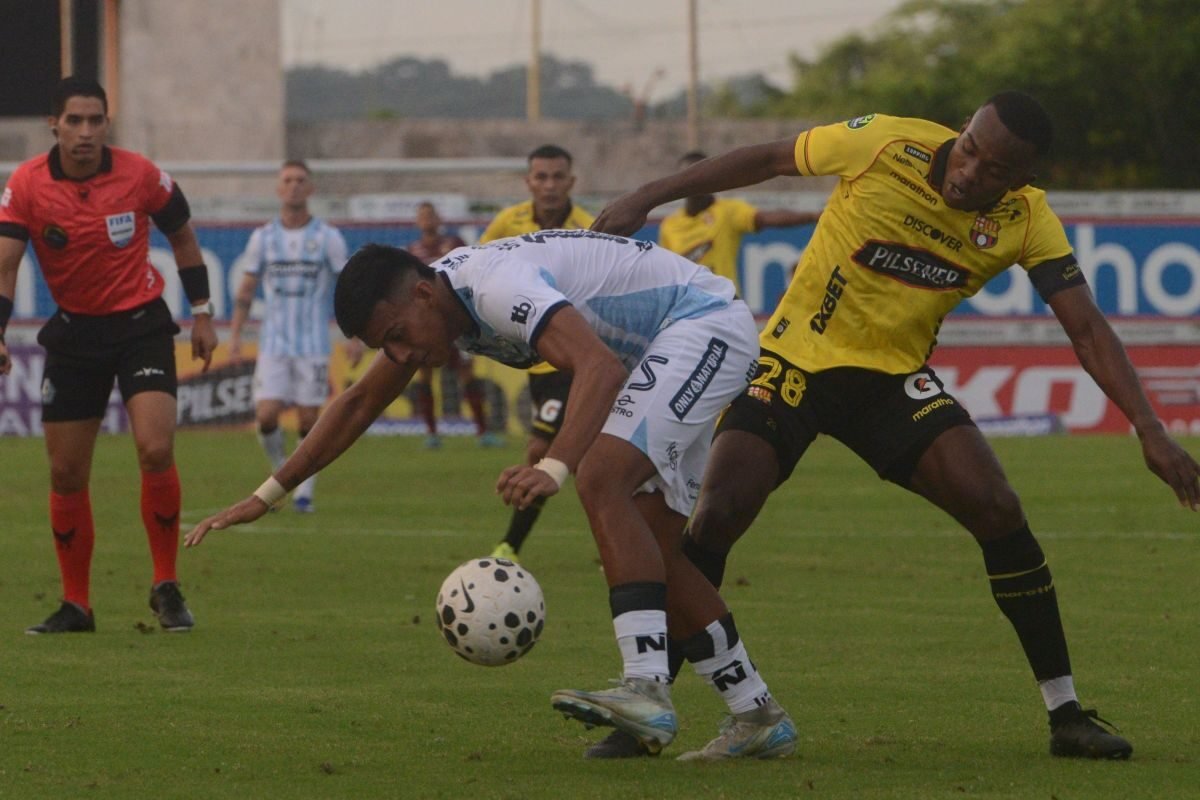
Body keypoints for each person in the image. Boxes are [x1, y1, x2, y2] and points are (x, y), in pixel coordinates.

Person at [592, 91, 1200, 760]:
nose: (969, 170)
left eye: (994, 169)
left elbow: (1085, 326)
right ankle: (647, 717)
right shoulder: (883, 142)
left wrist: (1149, 427)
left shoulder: (1028, 219)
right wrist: (646, 195)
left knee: (998, 508)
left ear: (1020, 178)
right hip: (793, 366)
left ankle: (1067, 716)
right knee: (717, 517)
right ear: (964, 127)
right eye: (970, 147)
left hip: (889, 382)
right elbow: (766, 157)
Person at [185, 232, 798, 761]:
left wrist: (554, 465)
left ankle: (645, 688)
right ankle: (757, 717)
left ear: (422, 293)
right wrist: (268, 494)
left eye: (398, 335)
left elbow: (599, 368)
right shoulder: (439, 306)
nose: (400, 356)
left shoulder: (496, 288)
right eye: (385, 348)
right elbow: (359, 402)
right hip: (663, 352)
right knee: (655, 547)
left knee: (598, 479)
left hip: (701, 325)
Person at [0, 76, 219, 634]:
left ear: (106, 125)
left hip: (141, 326)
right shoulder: (25, 184)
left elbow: (185, 237)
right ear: (54, 124)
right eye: (74, 121)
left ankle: (166, 585)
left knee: (153, 447)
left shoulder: (140, 174)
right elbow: (5, 265)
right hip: (74, 335)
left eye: (95, 120)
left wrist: (201, 312)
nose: (85, 132)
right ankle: (77, 605)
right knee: (66, 472)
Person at [479, 144, 594, 562]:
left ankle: (510, 545)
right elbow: (475, 270)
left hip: (584, 357)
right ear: (528, 181)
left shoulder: (589, 227)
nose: (549, 185)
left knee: (541, 452)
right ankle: (627, 539)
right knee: (585, 462)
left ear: (571, 182)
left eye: (557, 177)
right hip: (541, 360)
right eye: (541, 177)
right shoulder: (508, 224)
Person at [228, 160, 348, 513]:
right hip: (274, 344)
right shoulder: (263, 238)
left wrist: (353, 337)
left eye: (300, 180)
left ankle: (304, 491)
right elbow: (246, 291)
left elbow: (345, 288)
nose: (294, 186)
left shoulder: (328, 237)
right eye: (287, 180)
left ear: (310, 189)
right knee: (266, 416)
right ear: (279, 189)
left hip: (313, 344)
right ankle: (281, 471)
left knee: (310, 421)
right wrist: (235, 336)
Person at [403, 201, 495, 449]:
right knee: (424, 375)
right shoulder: (412, 252)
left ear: (439, 218)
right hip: (428, 327)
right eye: (422, 216)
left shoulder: (454, 245)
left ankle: (482, 431)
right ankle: (432, 433)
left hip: (456, 322)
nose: (427, 220)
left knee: (467, 373)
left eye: (430, 215)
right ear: (417, 222)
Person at [658, 150, 820, 290]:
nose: (693, 183)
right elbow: (666, 275)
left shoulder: (727, 211)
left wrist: (813, 216)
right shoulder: (669, 225)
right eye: (686, 178)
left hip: (723, 306)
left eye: (699, 176)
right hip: (685, 312)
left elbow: (767, 218)